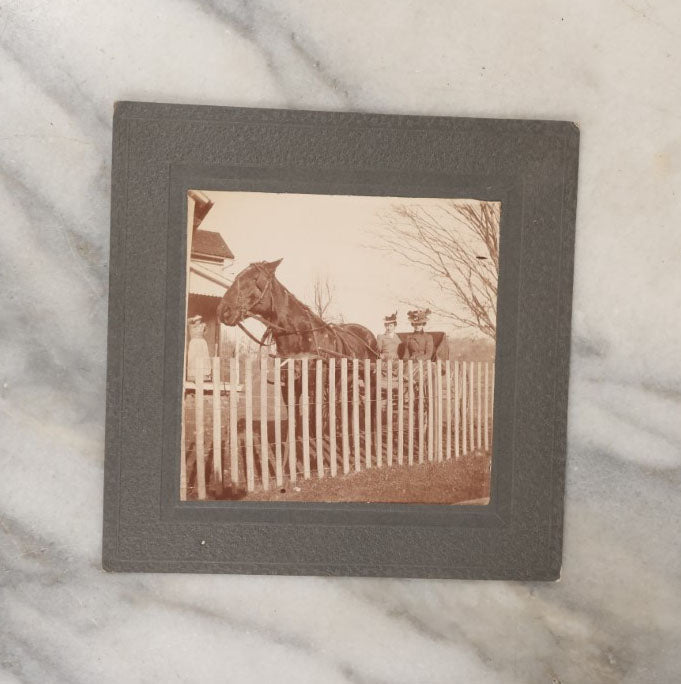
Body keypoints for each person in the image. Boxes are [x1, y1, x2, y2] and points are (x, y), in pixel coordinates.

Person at [187, 315, 211, 381]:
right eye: (197, 320)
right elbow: (187, 321)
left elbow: (206, 331)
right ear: (195, 321)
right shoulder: (191, 326)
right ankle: (193, 376)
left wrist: (204, 330)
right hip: (194, 343)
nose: (199, 321)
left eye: (200, 320)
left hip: (201, 343)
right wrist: (193, 319)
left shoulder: (203, 325)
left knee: (203, 358)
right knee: (193, 358)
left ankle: (204, 375)